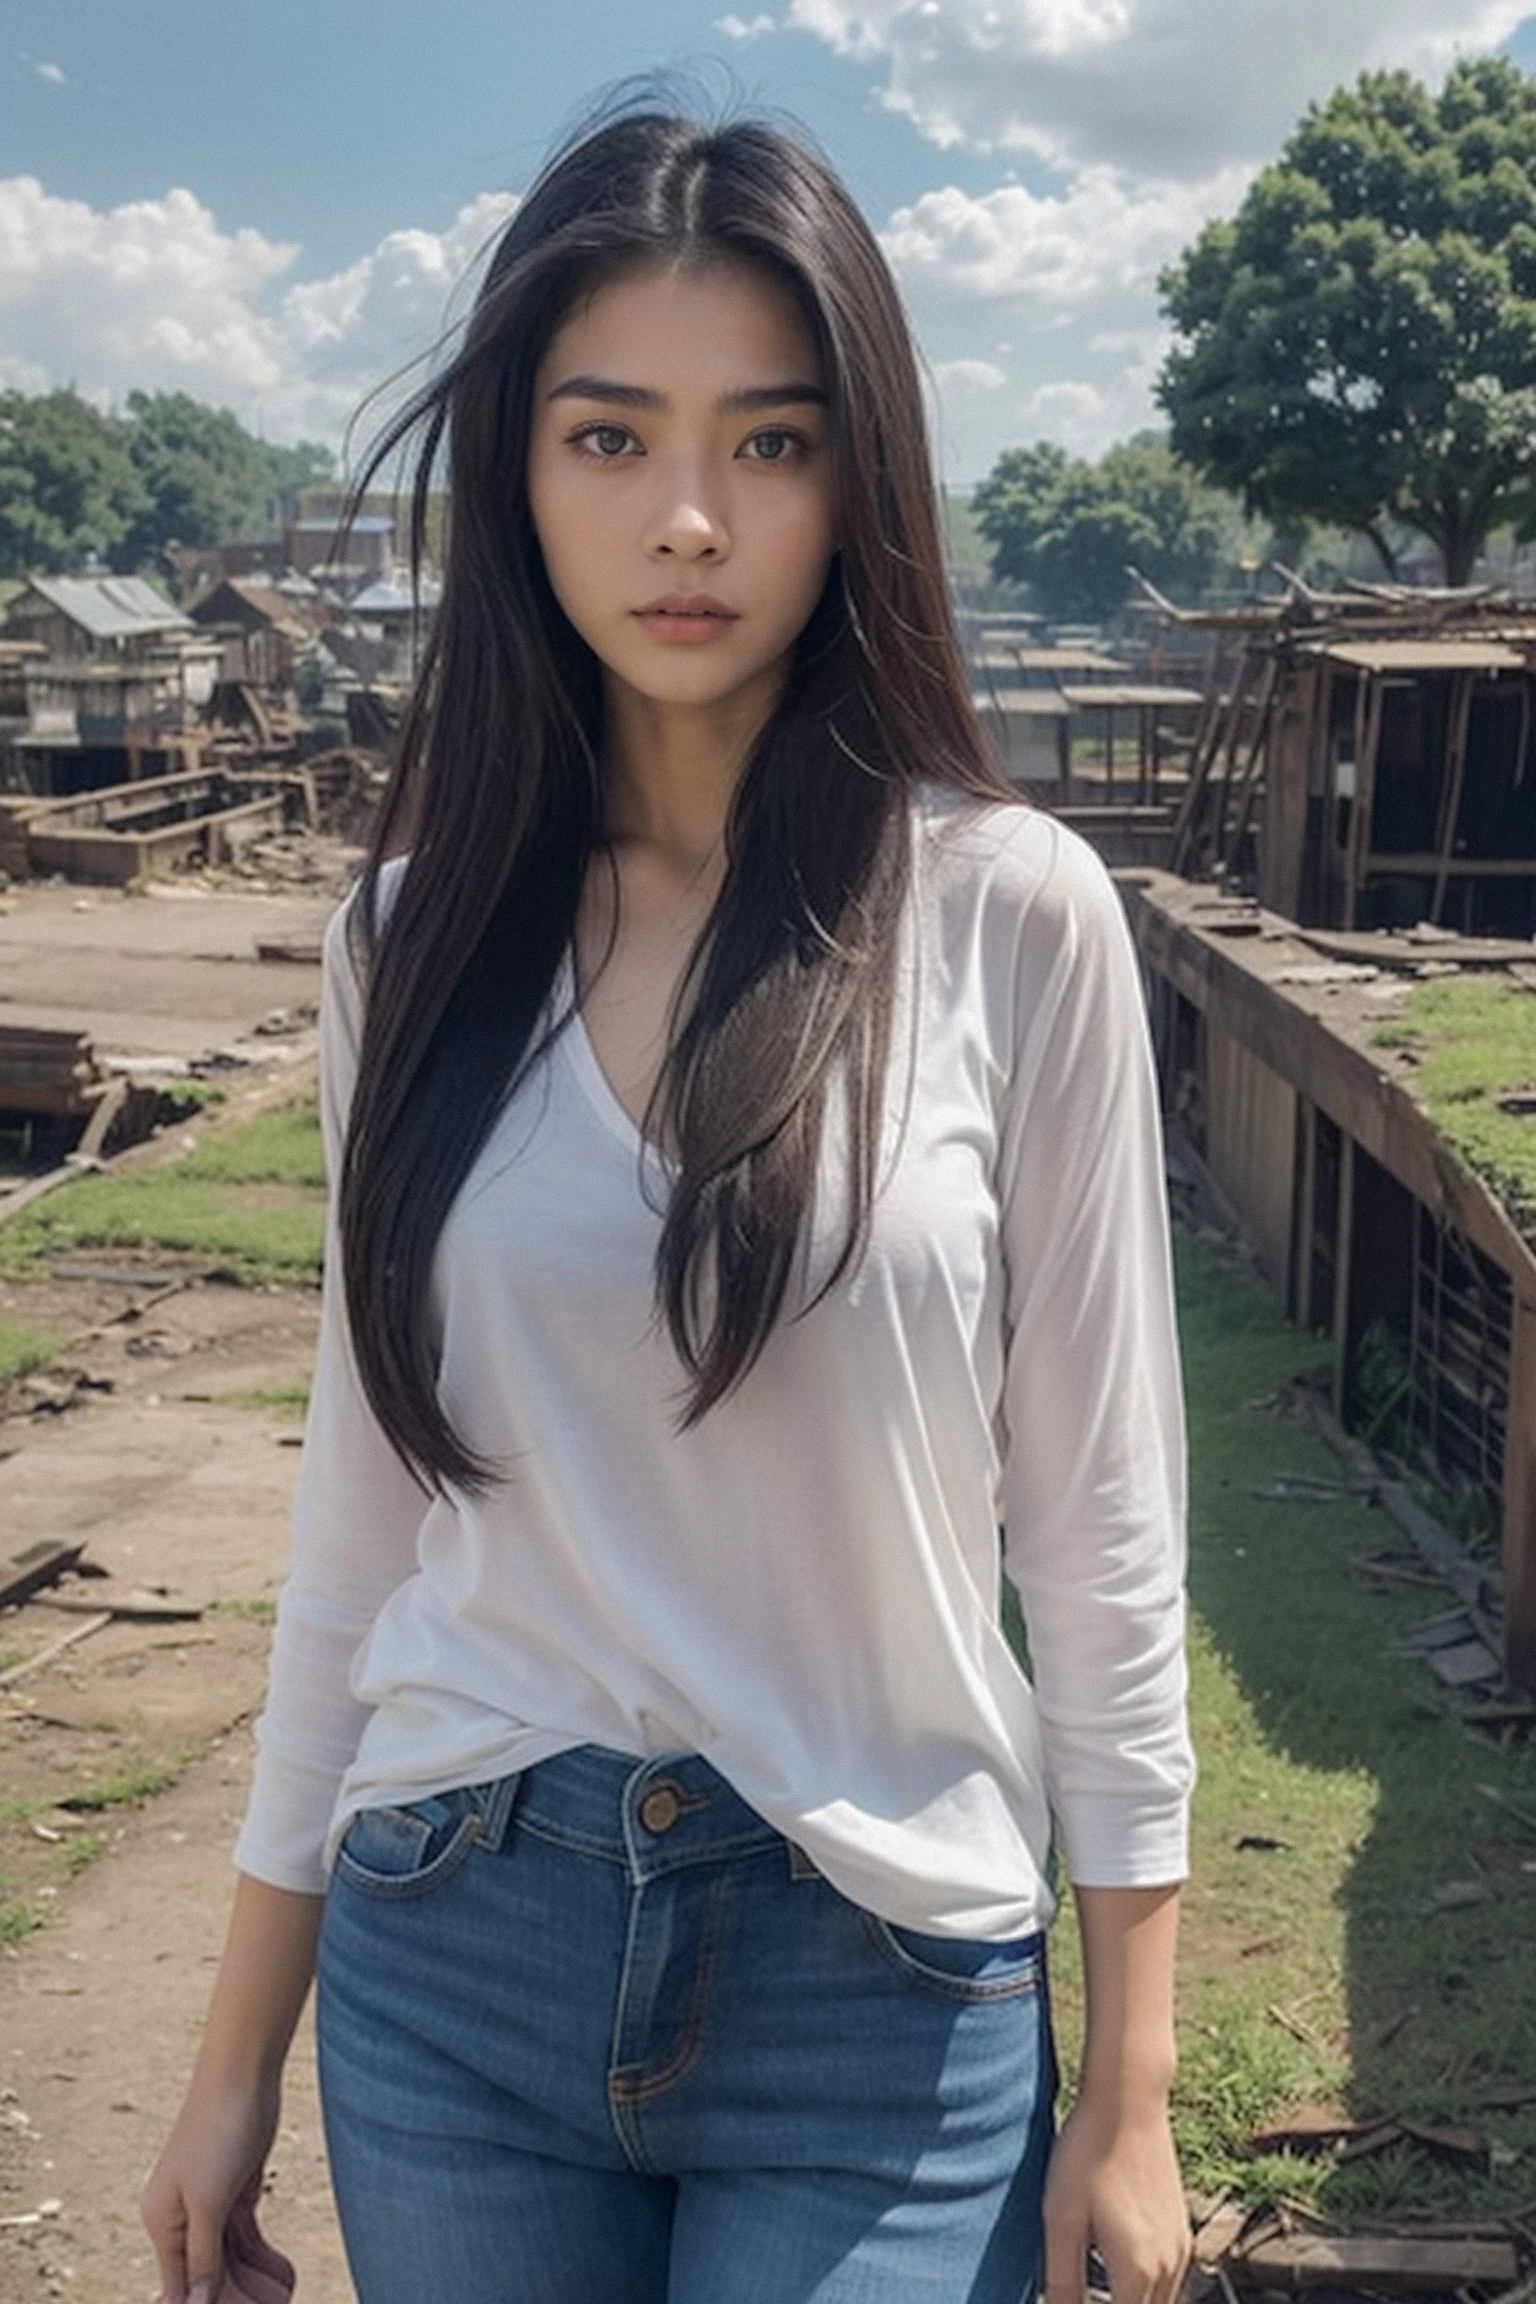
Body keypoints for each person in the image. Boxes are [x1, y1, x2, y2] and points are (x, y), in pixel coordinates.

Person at [144, 104, 1195, 2304]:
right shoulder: (408, 940)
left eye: (774, 444)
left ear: (860, 483)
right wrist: (239, 2052)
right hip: (459, 1948)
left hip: (883, 1986)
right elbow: (360, 1514)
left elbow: (1101, 1532)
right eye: (609, 439)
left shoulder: (1010, 917)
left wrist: (1137, 2084)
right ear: (518, 479)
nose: (691, 518)